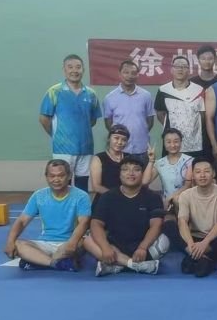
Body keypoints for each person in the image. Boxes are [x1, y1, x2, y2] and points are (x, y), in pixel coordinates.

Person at [85, 157, 169, 277]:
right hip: (115, 247)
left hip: (142, 247)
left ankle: (116, 265)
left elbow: (156, 225)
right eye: (125, 169)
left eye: (136, 169)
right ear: (119, 175)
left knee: (164, 241)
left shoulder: (153, 197)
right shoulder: (108, 196)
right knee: (88, 239)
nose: (131, 173)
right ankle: (134, 265)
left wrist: (142, 247)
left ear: (142, 174)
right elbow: (96, 223)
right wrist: (105, 247)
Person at [3, 159, 91, 272]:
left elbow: (84, 222)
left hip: (70, 242)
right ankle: (55, 263)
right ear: (46, 177)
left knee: (82, 243)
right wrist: (10, 242)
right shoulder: (39, 196)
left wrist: (72, 243)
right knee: (18, 244)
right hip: (45, 243)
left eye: (61, 176)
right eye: (52, 176)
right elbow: (22, 221)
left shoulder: (81, 196)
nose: (56, 179)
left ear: (69, 176)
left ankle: (36, 261)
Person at [162, 158, 217, 277]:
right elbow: (182, 222)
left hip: (215, 242)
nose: (202, 175)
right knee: (168, 224)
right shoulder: (186, 195)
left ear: (213, 173)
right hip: (193, 240)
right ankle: (201, 257)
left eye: (206, 171)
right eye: (198, 172)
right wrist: (190, 245)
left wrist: (205, 243)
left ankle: (195, 257)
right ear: (193, 175)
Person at [39, 54, 102, 192]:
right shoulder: (54, 91)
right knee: (62, 184)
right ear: (64, 70)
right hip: (62, 149)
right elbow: (44, 119)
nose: (74, 70)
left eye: (78, 67)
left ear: (83, 70)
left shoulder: (91, 94)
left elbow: (92, 120)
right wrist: (57, 135)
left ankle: (80, 207)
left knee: (82, 186)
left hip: (86, 148)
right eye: (70, 67)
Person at [103, 60, 155, 163]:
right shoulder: (109, 98)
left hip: (141, 148)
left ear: (138, 75)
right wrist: (120, 136)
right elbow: (109, 123)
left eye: (133, 73)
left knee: (143, 174)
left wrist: (139, 133)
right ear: (119, 74)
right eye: (126, 72)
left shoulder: (146, 96)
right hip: (120, 150)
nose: (129, 76)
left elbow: (150, 122)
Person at [154, 55, 205, 158]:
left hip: (194, 142)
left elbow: (202, 115)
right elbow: (160, 114)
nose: (180, 69)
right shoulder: (163, 90)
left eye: (184, 66)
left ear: (189, 70)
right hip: (172, 143)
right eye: (177, 66)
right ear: (172, 69)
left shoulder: (199, 90)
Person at [142, 128, 193, 215]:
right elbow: (145, 182)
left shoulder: (189, 161)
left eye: (176, 141)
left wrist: (170, 198)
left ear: (181, 142)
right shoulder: (160, 163)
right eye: (168, 142)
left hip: (185, 202)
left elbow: (187, 186)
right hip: (166, 204)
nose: (172, 145)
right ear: (164, 143)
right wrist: (151, 161)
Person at [189, 45, 217, 159]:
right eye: (203, 58)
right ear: (198, 60)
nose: (207, 61)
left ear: (215, 60)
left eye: (210, 58)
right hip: (197, 132)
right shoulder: (191, 83)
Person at [90, 125, 133, 206]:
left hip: (127, 200)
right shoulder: (98, 158)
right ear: (109, 138)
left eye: (124, 140)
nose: (119, 142)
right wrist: (118, 196)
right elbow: (96, 186)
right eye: (116, 138)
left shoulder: (129, 158)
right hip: (105, 200)